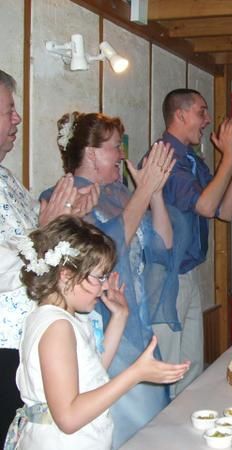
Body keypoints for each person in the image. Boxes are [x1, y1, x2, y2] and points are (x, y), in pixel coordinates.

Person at [39, 111, 188, 447]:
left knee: (156, 428)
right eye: (115, 147)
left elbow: (162, 245)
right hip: (103, 325)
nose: (122, 154)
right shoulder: (63, 196)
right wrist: (143, 190)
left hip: (135, 319)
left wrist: (155, 194)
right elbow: (108, 250)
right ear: (90, 153)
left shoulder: (120, 193)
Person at [3, 216, 190, 449]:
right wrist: (135, 374)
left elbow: (92, 375)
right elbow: (68, 418)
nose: (104, 286)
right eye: (99, 277)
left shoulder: (63, 318)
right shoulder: (56, 327)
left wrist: (120, 317)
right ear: (66, 274)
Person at [0, 69, 98, 444]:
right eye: (9, 109)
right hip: (6, 348)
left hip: (36, 341)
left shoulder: (8, 179)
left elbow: (46, 245)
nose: (17, 118)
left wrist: (72, 220)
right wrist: (46, 230)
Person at [150, 88, 232, 396]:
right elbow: (203, 206)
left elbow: (223, 210)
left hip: (188, 275)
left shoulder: (190, 158)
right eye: (201, 112)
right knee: (170, 370)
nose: (206, 120)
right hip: (165, 278)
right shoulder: (166, 155)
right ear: (181, 114)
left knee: (191, 368)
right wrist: (228, 156)